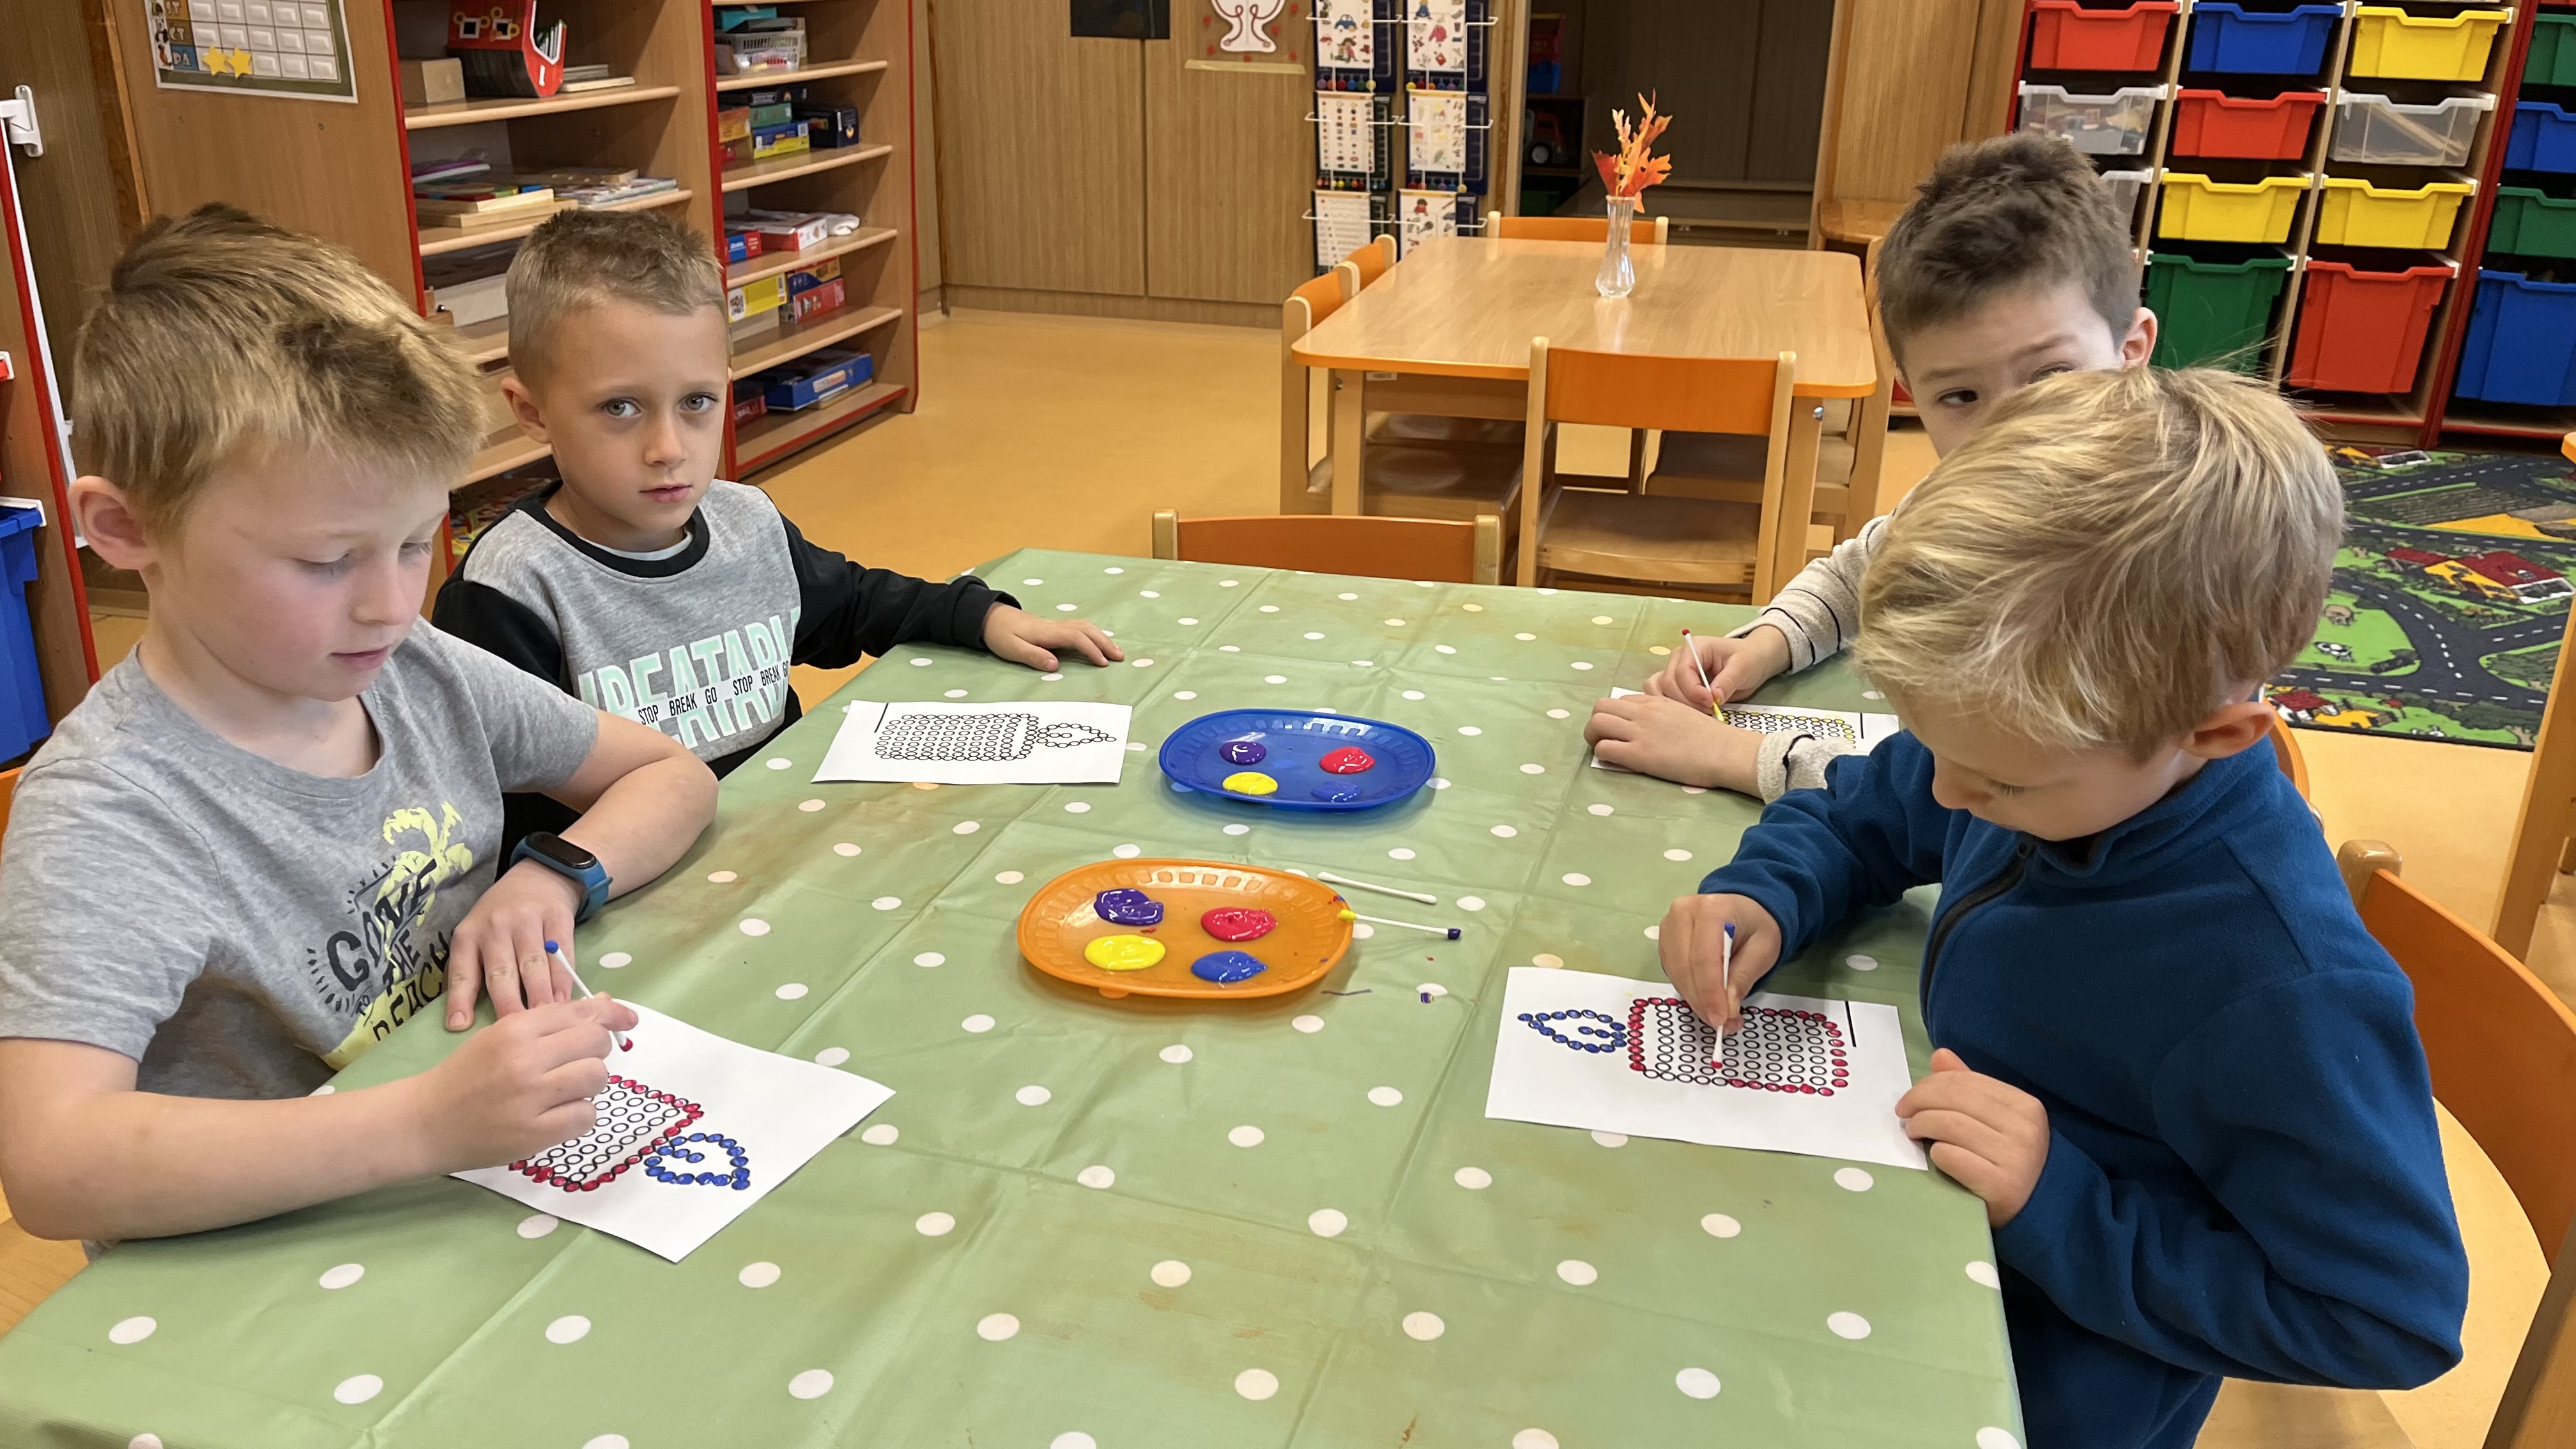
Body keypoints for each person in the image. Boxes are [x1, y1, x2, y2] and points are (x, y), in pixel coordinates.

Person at [1660, 367, 2467, 1449]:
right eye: (1939, 746)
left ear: (2214, 735)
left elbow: (2387, 1318)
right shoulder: (2038, 748)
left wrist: (2063, 1202)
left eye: (1999, 783)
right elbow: (1872, 807)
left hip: (2043, 1388)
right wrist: (1764, 890)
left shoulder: (2282, 983)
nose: (1952, 795)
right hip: (1913, 1242)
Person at [0, 206, 718, 1243]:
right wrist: (422, 1121)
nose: (391, 604)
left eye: (417, 541)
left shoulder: (414, 669)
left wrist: (554, 873)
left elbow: (669, 772)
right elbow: (54, 1164)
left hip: (468, 1186)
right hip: (276, 1260)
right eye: (327, 561)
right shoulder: (111, 811)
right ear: (124, 528)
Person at [433, 210, 1119, 850]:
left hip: (784, 849)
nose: (668, 448)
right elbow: (489, 807)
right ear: (532, 412)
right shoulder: (509, 589)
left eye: (697, 402)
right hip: (622, 893)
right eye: (620, 408)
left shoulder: (746, 521)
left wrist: (980, 616)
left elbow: (851, 604)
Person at [1586, 132, 2156, 800]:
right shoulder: (1963, 501)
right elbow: (1858, 574)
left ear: (2131, 352)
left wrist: (1740, 757)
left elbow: (1971, 791)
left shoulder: (2153, 557)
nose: (2009, 429)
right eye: (1961, 397)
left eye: (2051, 376)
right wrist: (1767, 642)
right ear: (1914, 395)